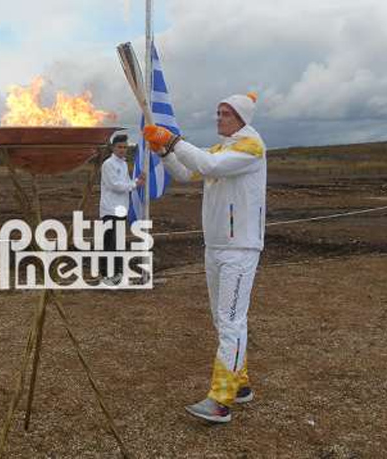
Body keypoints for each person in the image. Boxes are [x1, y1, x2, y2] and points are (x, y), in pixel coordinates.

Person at [143, 92, 266, 423]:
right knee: (222, 320)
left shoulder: (250, 147)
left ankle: (221, 400)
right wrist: (164, 152)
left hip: (240, 247)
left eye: (226, 113)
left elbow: (207, 165)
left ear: (242, 118)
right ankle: (240, 385)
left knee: (230, 321)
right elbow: (188, 173)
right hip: (215, 246)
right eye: (218, 112)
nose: (219, 118)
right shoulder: (222, 149)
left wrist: (173, 140)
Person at [98, 134, 145, 285]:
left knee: (118, 243)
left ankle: (118, 274)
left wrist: (136, 182)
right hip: (109, 210)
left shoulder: (123, 164)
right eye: (119, 147)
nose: (122, 150)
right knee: (109, 243)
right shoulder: (108, 164)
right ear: (113, 148)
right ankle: (106, 275)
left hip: (120, 209)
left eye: (125, 147)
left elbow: (125, 184)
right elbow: (115, 185)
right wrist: (135, 184)